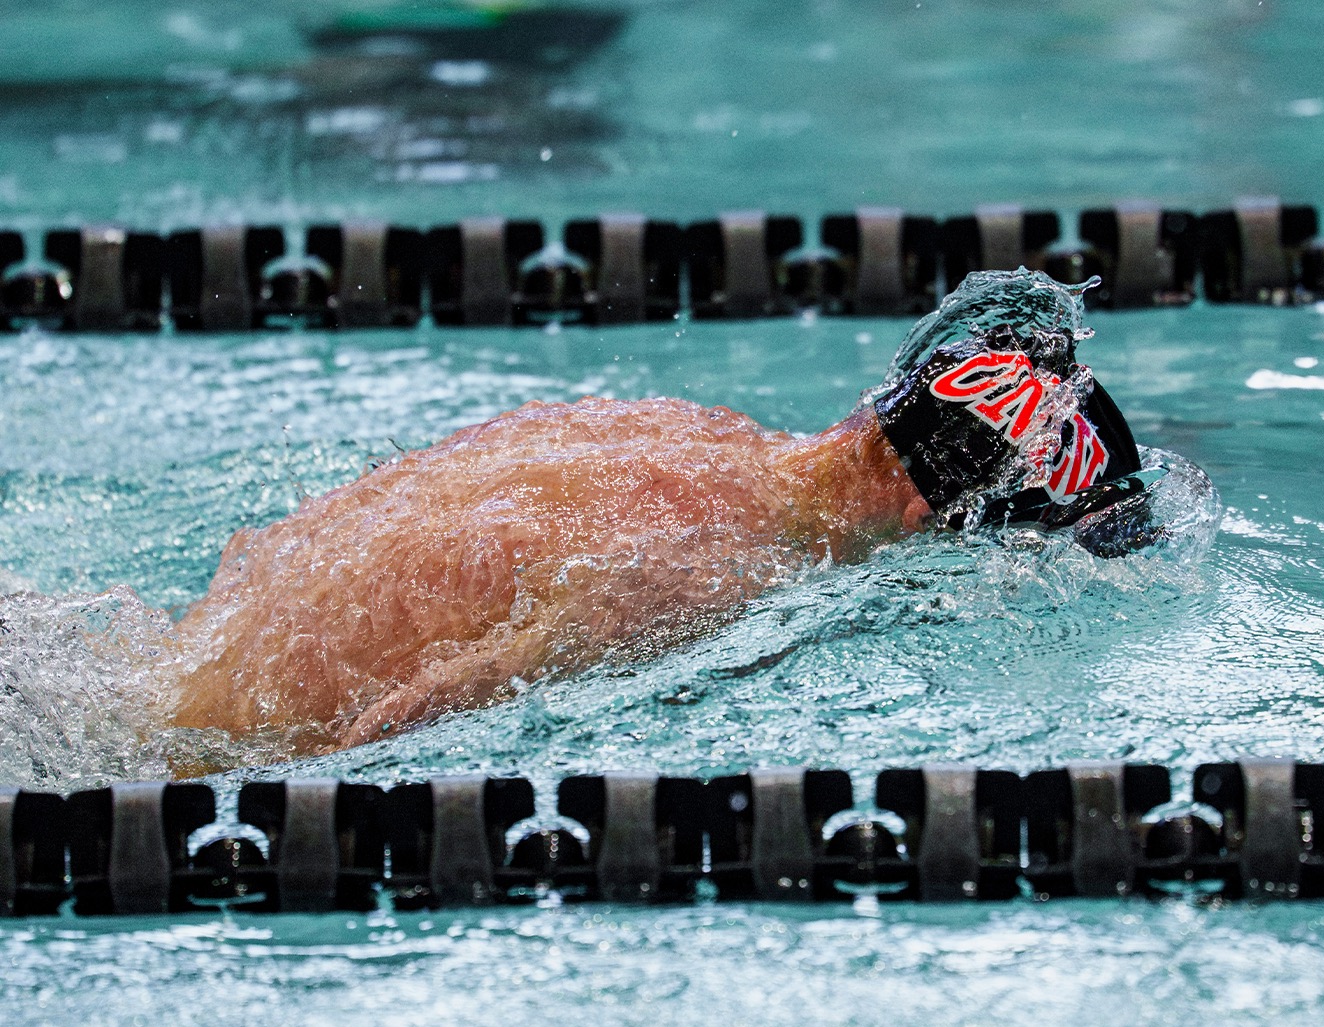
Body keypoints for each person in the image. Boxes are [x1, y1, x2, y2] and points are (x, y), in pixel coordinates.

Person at [165, 270, 1160, 755]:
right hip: (189, 746)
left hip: (191, 646)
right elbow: (397, 726)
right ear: (916, 510)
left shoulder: (704, 435)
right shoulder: (716, 569)